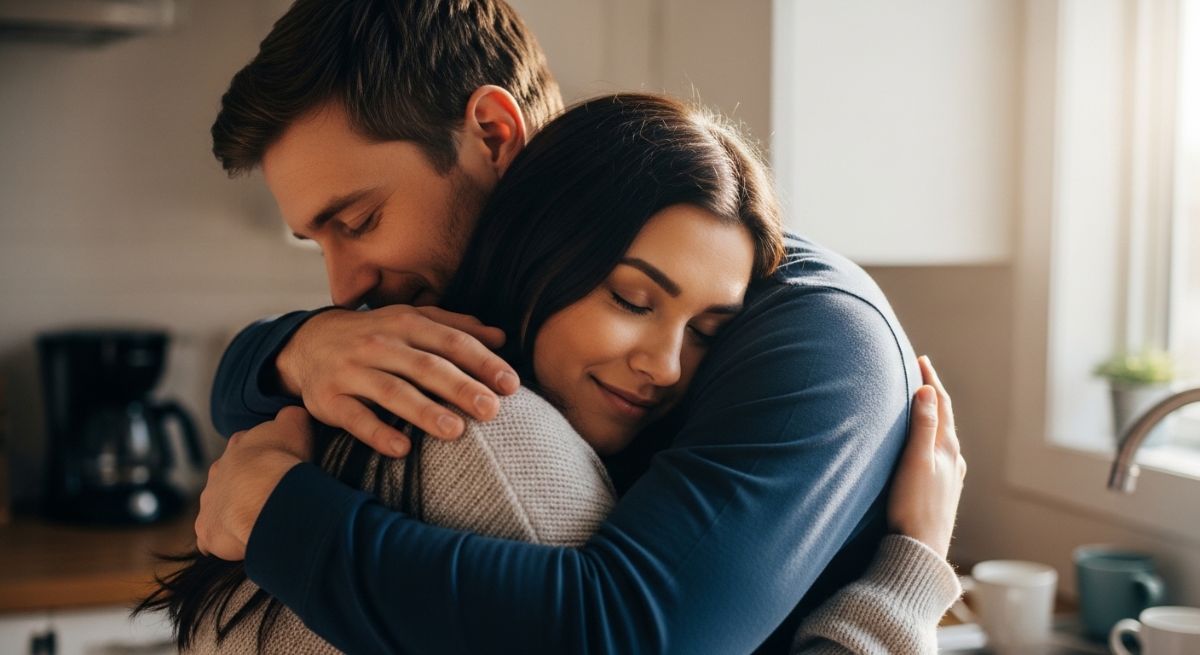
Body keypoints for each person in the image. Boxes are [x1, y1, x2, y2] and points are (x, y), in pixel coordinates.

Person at [196, 1, 943, 652]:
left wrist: (274, 511)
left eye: (359, 220)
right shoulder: (493, 321)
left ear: (491, 135)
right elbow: (246, 392)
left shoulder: (818, 335)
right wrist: (291, 350)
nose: (343, 286)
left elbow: (628, 633)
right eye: (318, 238)